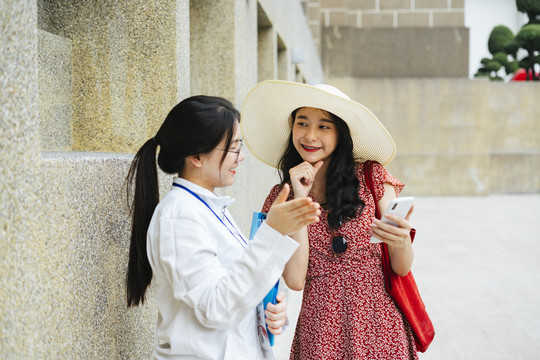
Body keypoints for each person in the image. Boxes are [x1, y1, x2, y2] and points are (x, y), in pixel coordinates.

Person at [125, 95, 321, 360]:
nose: (240, 158)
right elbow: (216, 308)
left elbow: (236, 289)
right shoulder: (178, 217)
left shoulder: (208, 208)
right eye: (233, 148)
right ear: (196, 155)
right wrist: (272, 232)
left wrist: (269, 311)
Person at [241, 81, 418, 359]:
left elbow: (401, 266)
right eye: (302, 123)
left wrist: (403, 241)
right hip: (321, 331)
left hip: (380, 325)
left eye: (324, 126)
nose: (310, 136)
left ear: (340, 134)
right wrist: (299, 197)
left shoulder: (373, 178)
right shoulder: (282, 196)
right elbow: (296, 279)